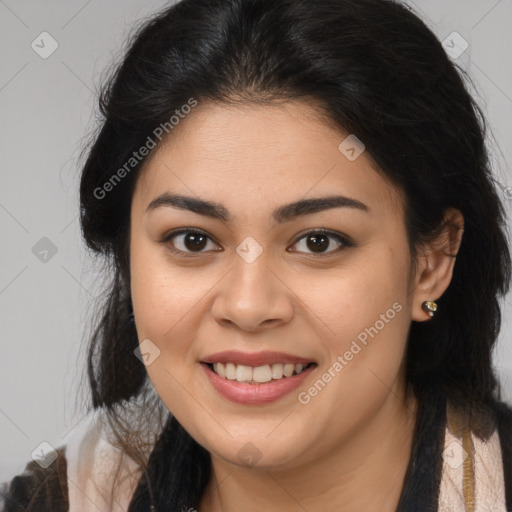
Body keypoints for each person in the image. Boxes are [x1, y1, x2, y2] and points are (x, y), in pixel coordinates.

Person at [2, 0, 511, 510]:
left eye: (318, 241)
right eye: (193, 240)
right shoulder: (59, 497)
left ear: (432, 262)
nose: (248, 307)